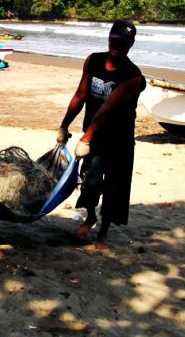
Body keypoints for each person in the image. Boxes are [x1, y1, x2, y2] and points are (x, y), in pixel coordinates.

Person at [57, 20, 146, 248]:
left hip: (119, 139)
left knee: (114, 187)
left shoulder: (133, 77)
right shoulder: (94, 60)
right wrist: (64, 126)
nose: (118, 46)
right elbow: (80, 95)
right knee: (91, 181)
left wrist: (86, 138)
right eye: (115, 41)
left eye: (124, 43)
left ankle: (104, 231)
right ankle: (90, 216)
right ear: (109, 37)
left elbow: (108, 109)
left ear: (131, 44)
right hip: (95, 136)